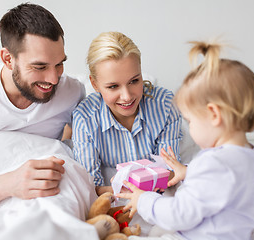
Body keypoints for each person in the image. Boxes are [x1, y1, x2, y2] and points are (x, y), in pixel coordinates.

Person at [117, 41, 254, 240]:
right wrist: (188, 172)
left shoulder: (213, 162)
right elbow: (219, 188)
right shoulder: (246, 155)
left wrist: (144, 200)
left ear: (214, 114)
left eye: (190, 121)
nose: (190, 127)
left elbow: (179, 214)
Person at [0, 3, 85, 212]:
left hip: (46, 200)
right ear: (8, 59)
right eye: (40, 67)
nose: (53, 79)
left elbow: (76, 152)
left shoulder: (73, 92)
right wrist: (11, 184)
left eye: (59, 64)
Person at [72, 32, 182, 196]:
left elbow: (170, 172)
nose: (127, 96)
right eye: (113, 86)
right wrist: (126, 189)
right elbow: (90, 186)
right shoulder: (85, 119)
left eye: (134, 81)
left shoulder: (165, 106)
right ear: (95, 84)